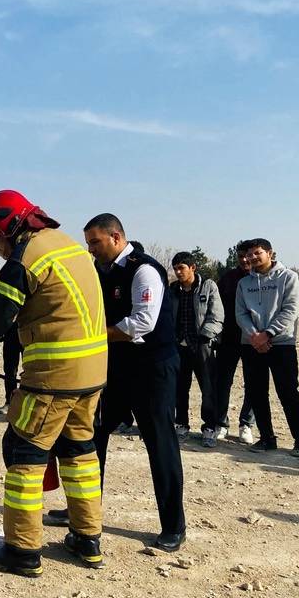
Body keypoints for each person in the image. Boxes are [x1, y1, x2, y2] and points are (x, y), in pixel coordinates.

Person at [0, 190, 108, 576]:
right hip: (92, 375)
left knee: (24, 452)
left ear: (11, 225)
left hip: (52, 377)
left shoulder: (26, 258)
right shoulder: (68, 247)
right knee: (79, 451)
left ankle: (22, 550)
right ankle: (87, 538)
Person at [83, 213, 186, 552]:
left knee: (160, 444)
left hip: (153, 368)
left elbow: (142, 322)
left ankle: (173, 525)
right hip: (116, 367)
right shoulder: (99, 272)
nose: (91, 249)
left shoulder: (144, 270)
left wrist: (94, 337)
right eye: (88, 243)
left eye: (95, 242)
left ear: (115, 237)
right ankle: (84, 513)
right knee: (91, 435)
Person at [235, 238, 299, 457]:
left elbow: (291, 309)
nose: (252, 258)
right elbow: (240, 313)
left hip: (281, 344)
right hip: (251, 345)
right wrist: (254, 336)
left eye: (257, 253)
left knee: (288, 393)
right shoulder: (244, 283)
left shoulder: (288, 277)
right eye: (249, 254)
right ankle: (267, 438)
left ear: (270, 253)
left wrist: (268, 334)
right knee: (257, 393)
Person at [169, 252, 224, 447]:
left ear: (193, 267)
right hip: (179, 347)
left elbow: (216, 315)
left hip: (202, 346)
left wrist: (205, 336)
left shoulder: (208, 287)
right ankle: (181, 424)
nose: (178, 272)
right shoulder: (173, 289)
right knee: (179, 389)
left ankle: (209, 428)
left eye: (181, 268)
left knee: (208, 388)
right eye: (175, 268)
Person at [215, 242, 256, 444]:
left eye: (248, 255)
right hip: (229, 338)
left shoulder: (262, 279)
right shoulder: (227, 278)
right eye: (240, 256)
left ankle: (246, 424)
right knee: (222, 382)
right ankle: (221, 423)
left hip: (254, 338)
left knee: (253, 383)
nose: (245, 259)